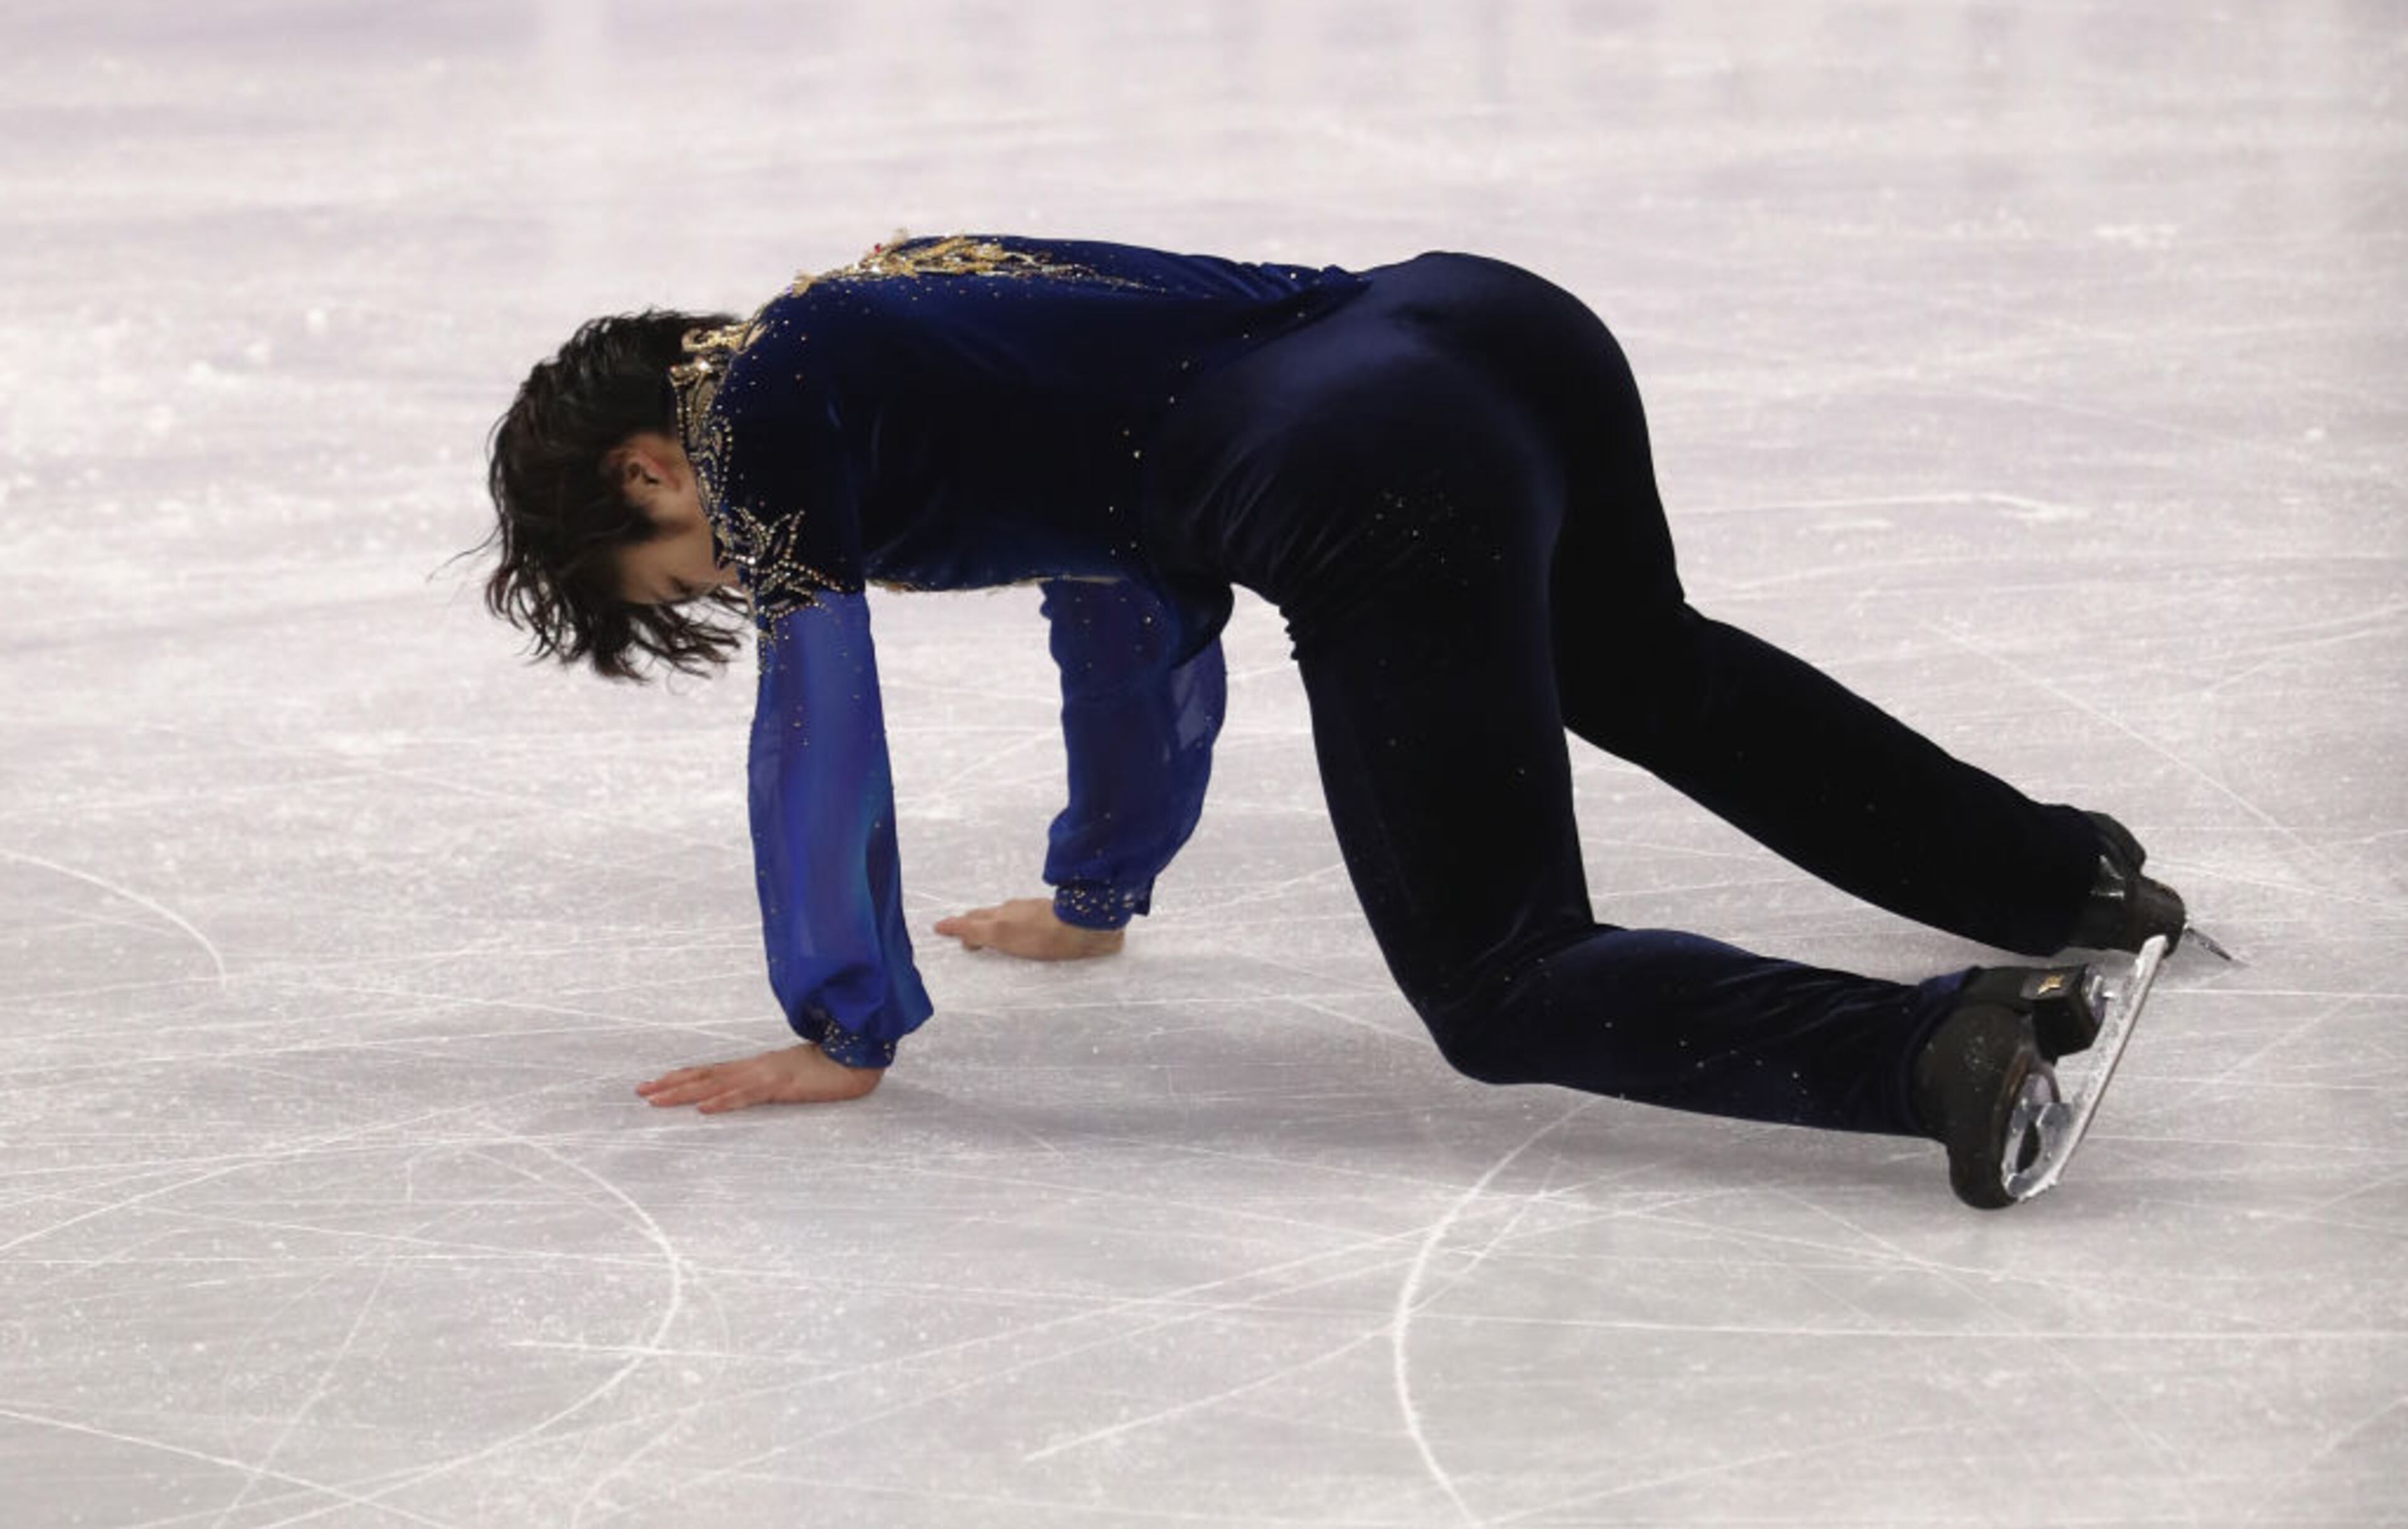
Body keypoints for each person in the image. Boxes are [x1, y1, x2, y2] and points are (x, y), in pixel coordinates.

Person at [481, 233, 2187, 1209]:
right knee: (1634, 661)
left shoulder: (763, 425)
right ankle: (2060, 879)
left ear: (649, 470)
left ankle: (1943, 1049)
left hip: (1370, 465)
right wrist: (1096, 890)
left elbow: (819, 730)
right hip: (1490, 328)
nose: (735, 578)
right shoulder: (885, 308)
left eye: (694, 569)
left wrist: (846, 1024)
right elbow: (1123, 604)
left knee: (1502, 983)